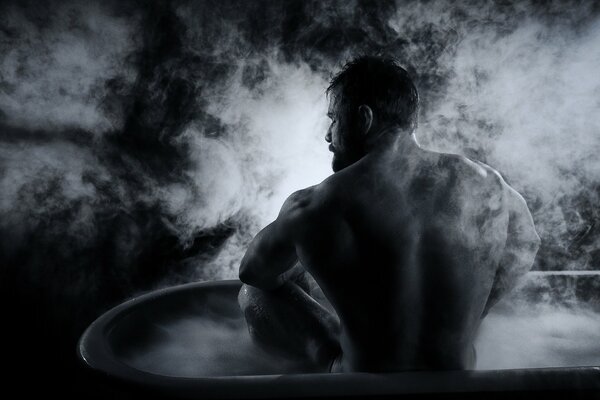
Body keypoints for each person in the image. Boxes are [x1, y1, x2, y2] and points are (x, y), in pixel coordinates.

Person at [237, 56, 541, 373]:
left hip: (364, 384)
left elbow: (253, 273)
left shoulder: (315, 205)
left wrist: (303, 270)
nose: (328, 137)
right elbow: (526, 243)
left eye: (334, 121)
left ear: (364, 119)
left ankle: (327, 363)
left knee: (254, 295)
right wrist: (473, 310)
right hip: (458, 378)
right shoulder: (486, 183)